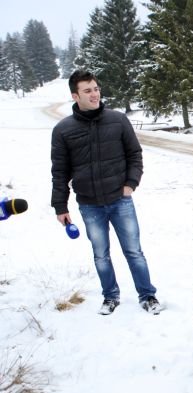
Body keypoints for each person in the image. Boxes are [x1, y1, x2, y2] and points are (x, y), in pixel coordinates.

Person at [51, 70, 162, 316]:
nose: (94, 94)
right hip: (89, 205)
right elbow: (59, 172)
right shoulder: (63, 130)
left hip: (120, 200)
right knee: (101, 255)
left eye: (96, 88)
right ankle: (110, 297)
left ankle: (148, 295)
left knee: (134, 251)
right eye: (87, 90)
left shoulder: (117, 120)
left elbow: (135, 154)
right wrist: (60, 206)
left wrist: (130, 184)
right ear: (75, 95)